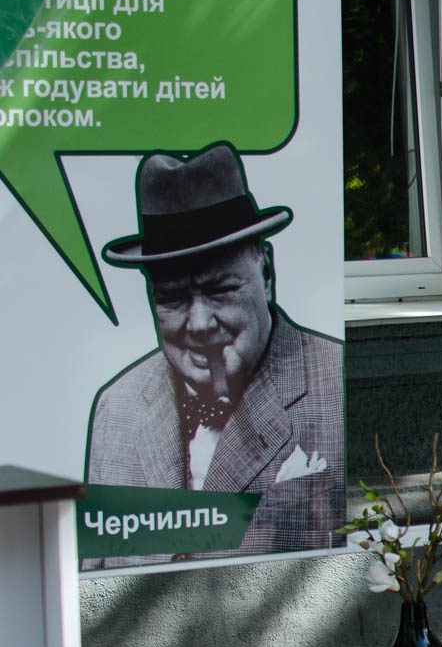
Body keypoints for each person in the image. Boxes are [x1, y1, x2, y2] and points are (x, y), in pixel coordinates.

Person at [85, 142, 344, 560]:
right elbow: (99, 575)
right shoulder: (118, 410)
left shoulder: (336, 388)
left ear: (266, 274)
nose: (199, 324)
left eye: (220, 289)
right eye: (172, 297)